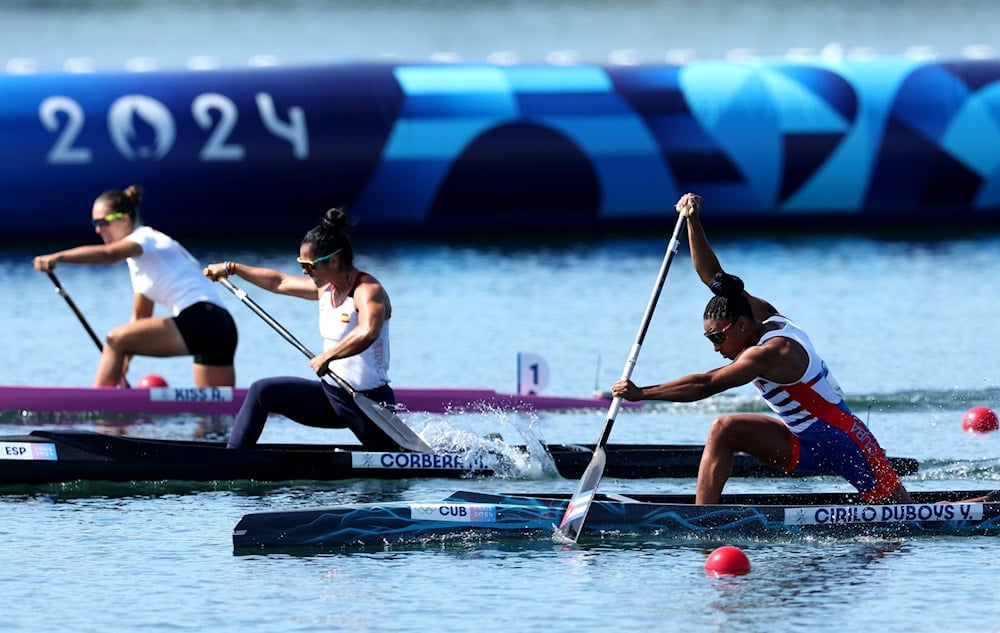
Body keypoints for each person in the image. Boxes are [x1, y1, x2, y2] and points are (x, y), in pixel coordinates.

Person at [612, 192, 912, 505]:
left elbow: (707, 384)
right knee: (724, 428)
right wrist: (693, 221)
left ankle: (969, 507)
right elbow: (712, 277)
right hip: (799, 439)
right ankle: (702, 518)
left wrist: (642, 393)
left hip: (842, 439)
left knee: (903, 513)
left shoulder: (772, 351)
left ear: (741, 326)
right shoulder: (756, 311)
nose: (716, 348)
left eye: (717, 338)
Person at [203, 207, 398, 450]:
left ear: (334, 260)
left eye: (309, 265)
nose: (304, 272)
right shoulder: (325, 288)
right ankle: (233, 459)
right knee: (263, 391)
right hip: (331, 396)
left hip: (368, 403)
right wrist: (231, 268)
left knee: (387, 470)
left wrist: (328, 356)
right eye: (301, 264)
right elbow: (278, 282)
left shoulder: (368, 291)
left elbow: (369, 331)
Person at [33, 185, 237, 388]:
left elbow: (108, 255)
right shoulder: (146, 259)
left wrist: (57, 257)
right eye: (94, 223)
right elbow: (140, 318)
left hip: (201, 319)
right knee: (215, 413)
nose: (98, 229)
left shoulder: (143, 238)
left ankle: (98, 408)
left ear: (124, 219)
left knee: (114, 339)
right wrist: (120, 366)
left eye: (103, 222)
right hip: (222, 327)